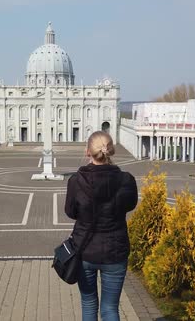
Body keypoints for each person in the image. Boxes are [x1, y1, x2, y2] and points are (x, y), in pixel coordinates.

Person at [65, 131, 138, 321]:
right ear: (111, 150)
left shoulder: (76, 181)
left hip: (85, 250)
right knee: (110, 308)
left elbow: (71, 212)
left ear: (87, 151)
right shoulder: (127, 180)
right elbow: (130, 205)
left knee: (88, 304)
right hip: (116, 251)